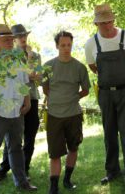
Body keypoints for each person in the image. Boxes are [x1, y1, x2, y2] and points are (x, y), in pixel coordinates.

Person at [84, 3, 125, 190]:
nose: (107, 26)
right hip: (106, 94)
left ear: (113, 20)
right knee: (109, 134)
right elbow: (93, 67)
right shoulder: (91, 43)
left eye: (109, 21)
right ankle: (112, 170)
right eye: (103, 23)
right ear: (96, 25)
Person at [0, 24, 37, 194]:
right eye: (5, 39)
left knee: (16, 147)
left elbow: (24, 81)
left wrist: (28, 102)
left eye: (11, 39)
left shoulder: (17, 56)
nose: (10, 42)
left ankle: (22, 182)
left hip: (17, 111)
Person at [42, 31, 90, 194]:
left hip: (73, 115)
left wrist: (72, 97)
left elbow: (86, 90)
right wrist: (57, 98)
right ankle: (53, 186)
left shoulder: (79, 67)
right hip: (54, 115)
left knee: (73, 148)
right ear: (56, 46)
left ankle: (67, 179)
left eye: (69, 45)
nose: (66, 48)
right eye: (62, 45)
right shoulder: (48, 66)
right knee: (54, 153)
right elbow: (45, 88)